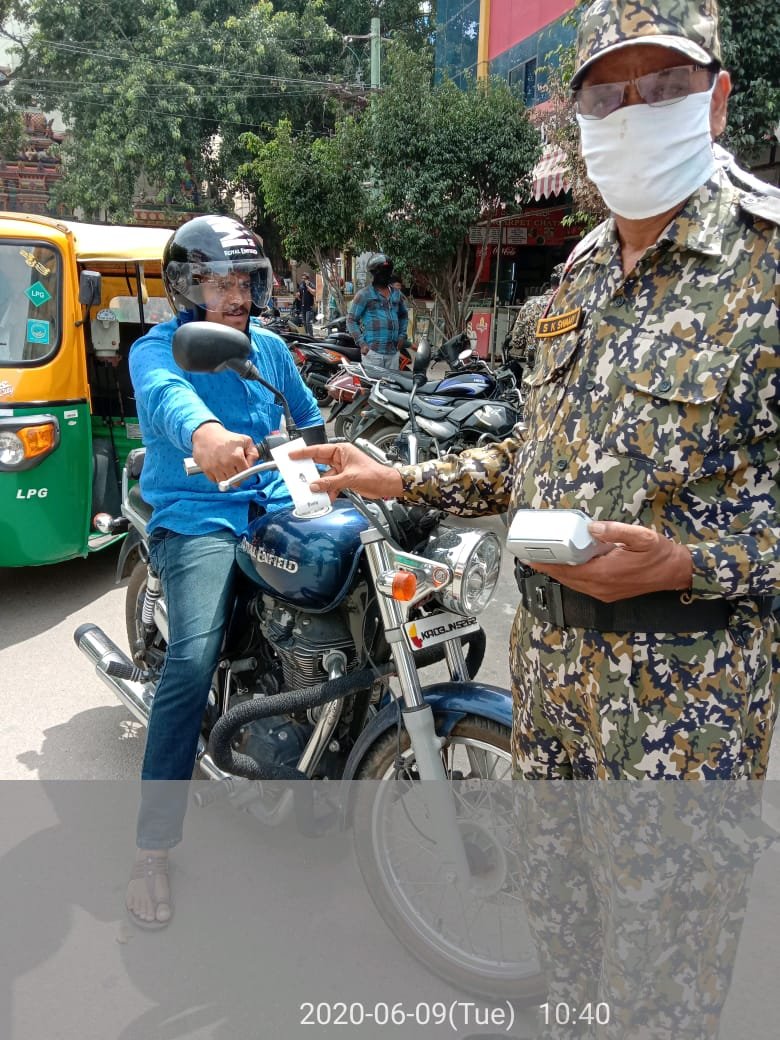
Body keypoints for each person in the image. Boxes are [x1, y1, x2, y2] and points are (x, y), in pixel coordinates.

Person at [294, 2, 779, 1034]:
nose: (635, 110)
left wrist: (692, 562)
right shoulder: (576, 278)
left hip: (678, 729)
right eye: (609, 91)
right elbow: (538, 456)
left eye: (663, 85)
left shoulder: (768, 268)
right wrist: (397, 479)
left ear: (718, 99)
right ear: (580, 120)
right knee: (570, 972)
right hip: (551, 703)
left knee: (660, 999)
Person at [125, 215, 323, 928]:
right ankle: (152, 849)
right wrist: (207, 436)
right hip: (199, 514)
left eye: (242, 280)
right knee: (193, 657)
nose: (234, 295)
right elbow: (173, 404)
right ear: (186, 284)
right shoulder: (157, 349)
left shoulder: (268, 349)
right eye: (216, 281)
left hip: (271, 505)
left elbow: (307, 421)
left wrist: (341, 469)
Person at [346, 253, 409, 370]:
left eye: (387, 271)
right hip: (373, 354)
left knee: (391, 388)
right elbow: (351, 320)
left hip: (393, 354)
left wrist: (402, 336)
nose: (384, 275)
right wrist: (362, 344)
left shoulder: (396, 293)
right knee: (373, 388)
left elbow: (403, 315)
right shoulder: (364, 294)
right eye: (381, 272)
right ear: (373, 273)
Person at [506, 263, 565, 380]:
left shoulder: (530, 305)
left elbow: (517, 341)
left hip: (531, 375)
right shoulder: (569, 306)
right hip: (558, 376)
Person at [298, 272, 316, 336]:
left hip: (309, 306)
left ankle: (311, 336)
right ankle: (306, 335)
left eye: (304, 278)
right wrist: (298, 296)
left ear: (308, 279)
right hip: (303, 307)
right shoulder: (301, 286)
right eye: (302, 278)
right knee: (304, 322)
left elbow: (314, 293)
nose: (303, 280)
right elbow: (300, 297)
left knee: (308, 322)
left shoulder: (311, 285)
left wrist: (308, 286)